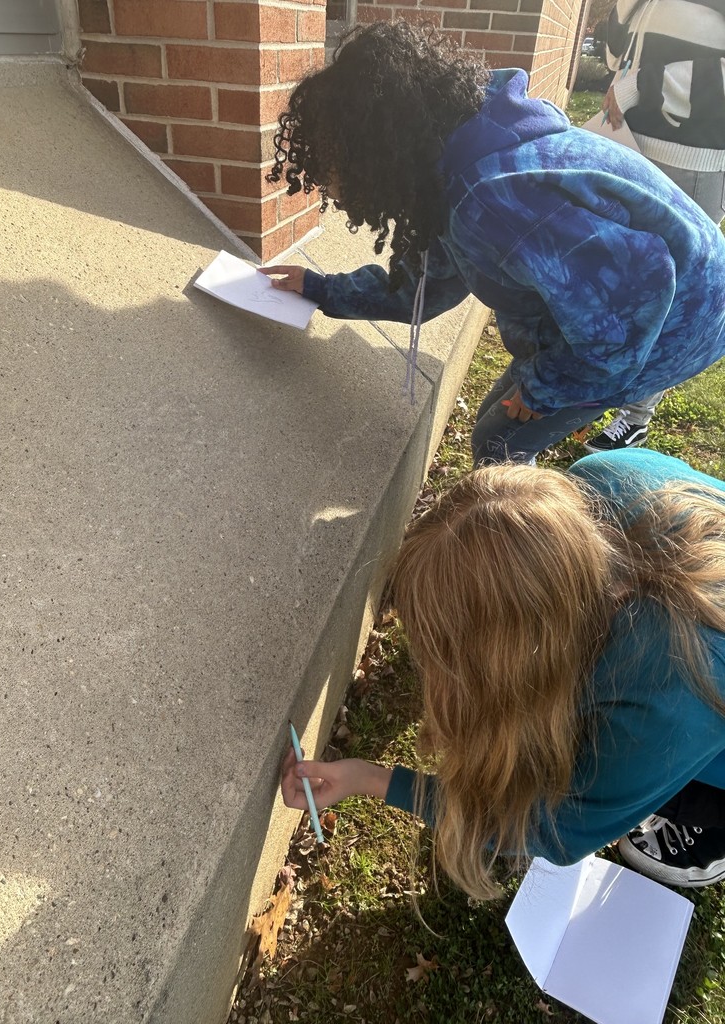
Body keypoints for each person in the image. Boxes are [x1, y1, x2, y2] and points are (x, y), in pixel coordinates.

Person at [260, 21, 725, 467]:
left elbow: (630, 307)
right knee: (500, 418)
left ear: (375, 150)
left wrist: (550, 388)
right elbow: (425, 286)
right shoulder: (458, 156)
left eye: (330, 163)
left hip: (682, 316)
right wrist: (321, 288)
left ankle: (527, 541)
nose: (325, 181)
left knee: (499, 439)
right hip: (640, 305)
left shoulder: (492, 201)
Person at [282, 448, 725, 898]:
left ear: (522, 661)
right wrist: (360, 776)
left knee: (645, 778)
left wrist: (378, 781)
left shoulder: (667, 697)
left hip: (705, 717)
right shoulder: (599, 479)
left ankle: (709, 843)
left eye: (454, 661)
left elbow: (557, 831)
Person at [584, 0, 725, 454]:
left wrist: (640, 85)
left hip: (694, 165)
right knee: (613, 278)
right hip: (629, 145)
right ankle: (584, 389)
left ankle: (636, 417)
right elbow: (615, 54)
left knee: (672, 294)